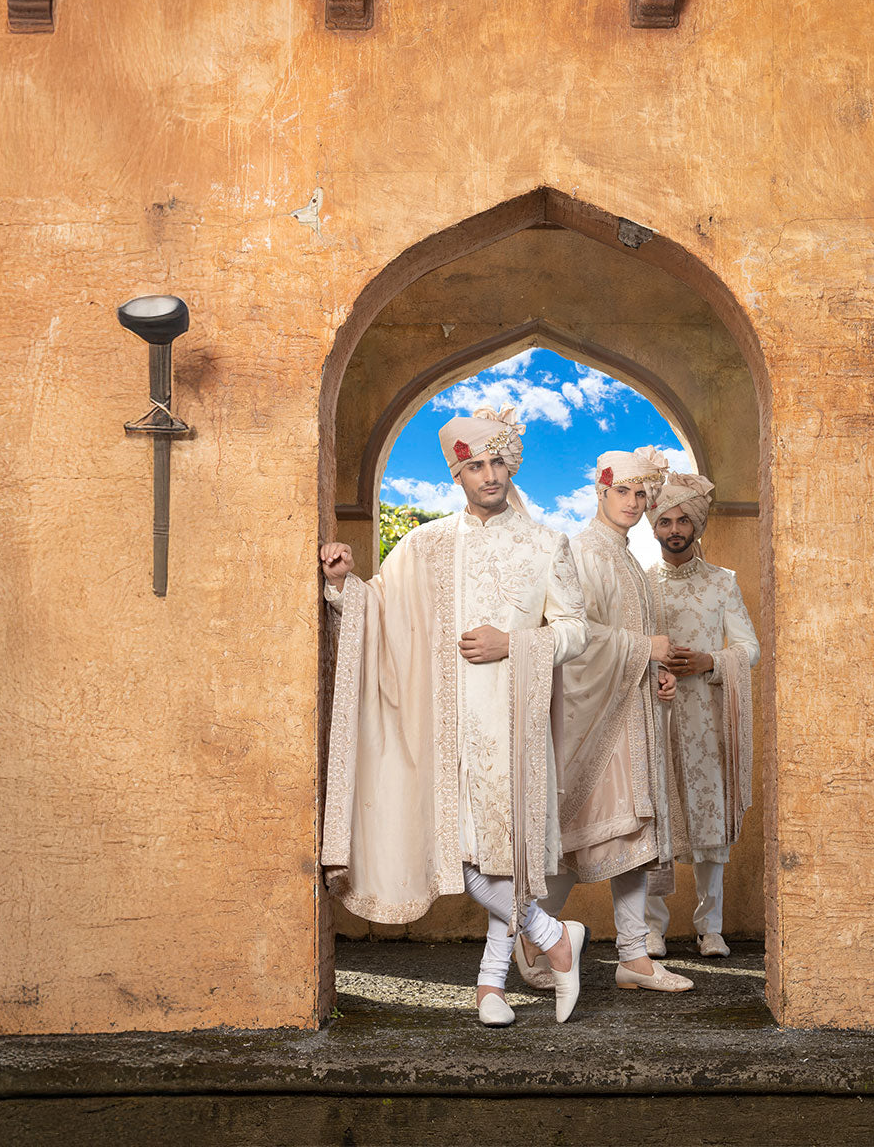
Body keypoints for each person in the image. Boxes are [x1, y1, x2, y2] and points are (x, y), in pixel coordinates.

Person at [318, 405, 591, 1026]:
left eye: (500, 462)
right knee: (465, 853)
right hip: (444, 729)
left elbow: (576, 633)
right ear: (457, 474)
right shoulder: (426, 546)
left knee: (503, 854)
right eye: (476, 465)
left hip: (517, 726)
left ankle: (490, 987)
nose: (490, 475)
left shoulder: (549, 544)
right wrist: (343, 587)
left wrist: (513, 643)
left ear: (512, 466)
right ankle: (552, 935)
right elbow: (382, 612)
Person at [515, 447, 694, 994]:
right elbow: (575, 635)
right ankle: (530, 937)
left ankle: (633, 957)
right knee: (579, 832)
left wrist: (657, 669)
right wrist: (644, 647)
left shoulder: (631, 561)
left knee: (634, 835)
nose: (635, 504)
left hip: (634, 714)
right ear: (601, 490)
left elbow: (636, 643)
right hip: (598, 719)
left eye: (643, 494)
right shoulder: (582, 551)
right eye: (624, 492)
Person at [642, 472, 760, 959]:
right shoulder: (642, 584)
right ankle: (650, 929)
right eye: (665, 520)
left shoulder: (721, 583)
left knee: (710, 822)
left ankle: (710, 927)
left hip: (709, 719)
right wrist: (652, 662)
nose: (674, 529)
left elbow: (749, 649)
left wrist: (712, 662)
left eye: (683, 520)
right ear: (653, 528)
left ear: (696, 526)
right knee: (656, 822)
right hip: (656, 714)